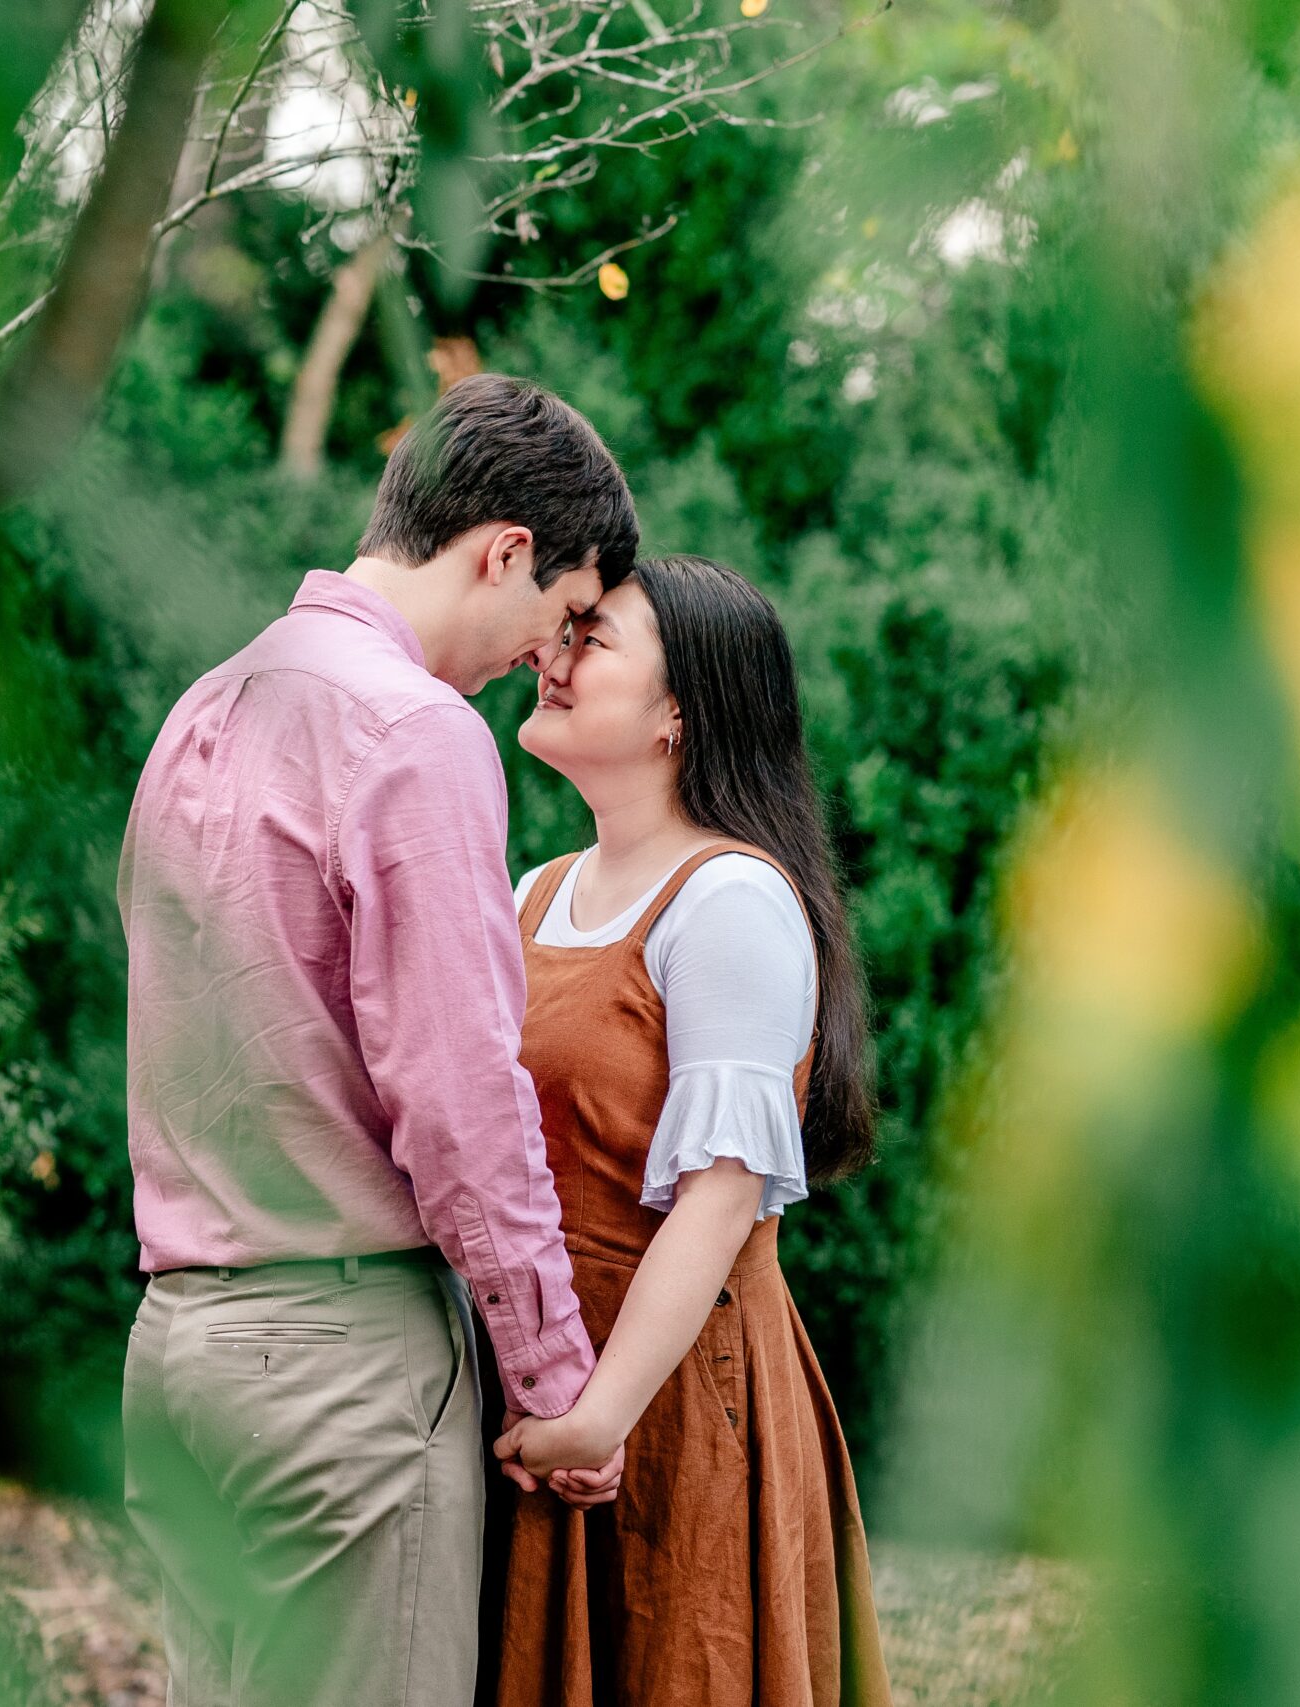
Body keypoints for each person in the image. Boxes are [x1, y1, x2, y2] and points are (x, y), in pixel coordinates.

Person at [117, 373, 640, 1707]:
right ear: (505, 549)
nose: (548, 651)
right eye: (564, 612)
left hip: (179, 1353)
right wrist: (553, 1379)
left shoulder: (207, 704)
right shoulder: (418, 730)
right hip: (338, 1372)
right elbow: (462, 1100)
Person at [490, 555, 892, 1706]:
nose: (548, 658)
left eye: (591, 639)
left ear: (679, 714)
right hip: (546, 1391)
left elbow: (719, 1195)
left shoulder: (729, 900)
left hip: (667, 1401)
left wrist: (600, 1416)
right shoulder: (535, 891)